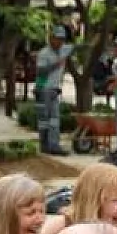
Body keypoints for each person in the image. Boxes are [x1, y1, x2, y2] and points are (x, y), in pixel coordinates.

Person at [35, 26, 76, 156]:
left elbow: (75, 47)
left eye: (62, 40)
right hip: (44, 89)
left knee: (54, 119)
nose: (60, 42)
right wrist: (56, 64)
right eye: (57, 39)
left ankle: (54, 145)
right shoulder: (44, 53)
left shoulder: (63, 49)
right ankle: (44, 144)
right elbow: (40, 71)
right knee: (44, 119)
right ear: (51, 38)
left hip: (54, 89)